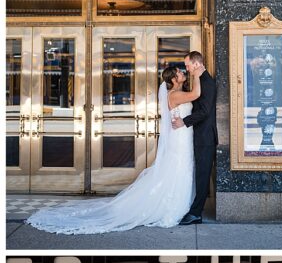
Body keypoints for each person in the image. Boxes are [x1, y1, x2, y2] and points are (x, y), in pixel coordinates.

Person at [26, 65, 199, 235]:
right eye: (179, 72)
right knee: (179, 168)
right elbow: (196, 94)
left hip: (183, 136)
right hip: (180, 139)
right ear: (173, 79)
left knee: (179, 169)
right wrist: (198, 73)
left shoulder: (176, 93)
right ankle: (174, 206)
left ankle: (178, 203)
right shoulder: (175, 95)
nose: (182, 73)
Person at [174, 50, 217, 225]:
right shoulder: (200, 80)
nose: (187, 68)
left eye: (188, 64)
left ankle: (196, 213)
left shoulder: (207, 82)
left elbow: (205, 111)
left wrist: (184, 121)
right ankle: (195, 211)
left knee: (202, 174)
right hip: (201, 135)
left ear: (197, 64)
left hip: (205, 137)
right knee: (200, 173)